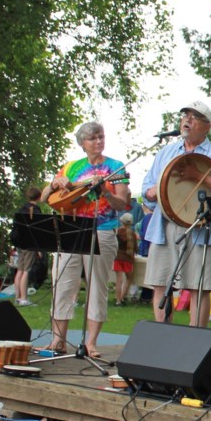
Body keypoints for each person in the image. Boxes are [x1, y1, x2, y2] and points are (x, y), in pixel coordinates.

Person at [141, 101, 211, 327]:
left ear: (207, 126)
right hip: (164, 226)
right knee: (160, 283)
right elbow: (147, 187)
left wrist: (199, 176)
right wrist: (152, 191)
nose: (187, 120)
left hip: (201, 226)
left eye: (194, 117)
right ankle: (164, 340)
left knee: (198, 285)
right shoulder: (166, 152)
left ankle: (194, 342)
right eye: (185, 115)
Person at [41, 122, 130, 356]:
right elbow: (44, 197)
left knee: (97, 286)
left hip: (102, 229)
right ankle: (57, 340)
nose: (98, 141)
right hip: (71, 228)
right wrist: (54, 184)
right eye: (92, 138)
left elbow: (122, 204)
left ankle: (91, 343)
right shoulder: (71, 167)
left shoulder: (115, 167)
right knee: (62, 283)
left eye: (101, 136)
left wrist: (106, 192)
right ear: (82, 144)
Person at [13, 186, 43, 306]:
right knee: (27, 270)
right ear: (39, 196)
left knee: (20, 269)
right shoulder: (35, 210)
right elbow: (37, 230)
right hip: (29, 244)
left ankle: (17, 297)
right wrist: (38, 248)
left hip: (19, 243)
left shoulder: (21, 209)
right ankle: (24, 298)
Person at [113, 213, 138, 305]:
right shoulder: (133, 234)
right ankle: (123, 297)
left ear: (121, 221)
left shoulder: (117, 232)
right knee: (129, 279)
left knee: (119, 280)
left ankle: (118, 300)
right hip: (128, 259)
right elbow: (135, 248)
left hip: (118, 257)